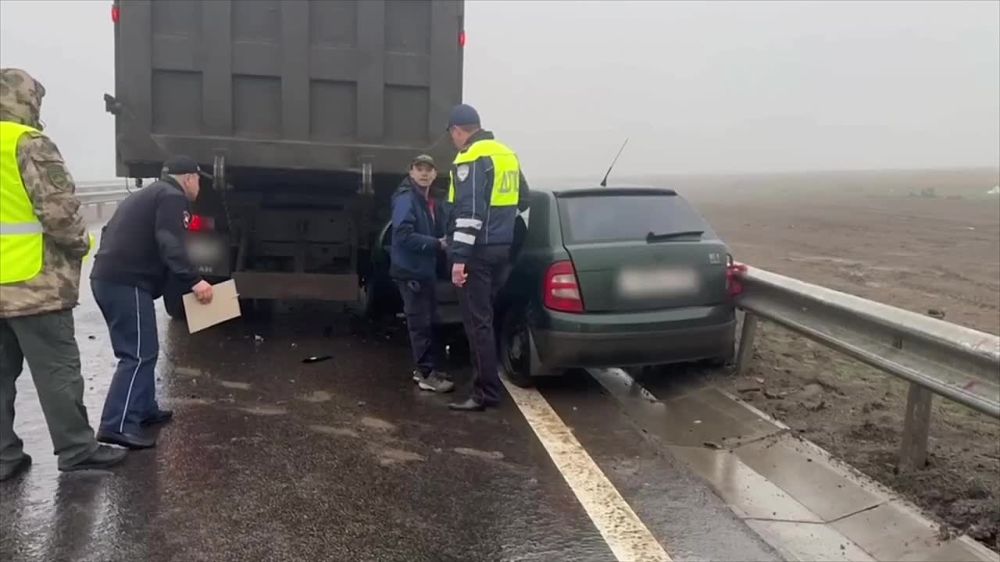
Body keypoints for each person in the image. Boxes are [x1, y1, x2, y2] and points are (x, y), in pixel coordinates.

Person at [0, 68, 127, 481]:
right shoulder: (27, 143)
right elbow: (58, 213)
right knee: (56, 370)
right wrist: (81, 244)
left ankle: (4, 456)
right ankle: (75, 448)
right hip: (34, 284)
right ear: (27, 100)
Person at [90, 155, 214, 449]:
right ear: (188, 178)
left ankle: (144, 410)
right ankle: (116, 424)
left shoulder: (150, 193)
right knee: (137, 354)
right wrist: (195, 281)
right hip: (126, 282)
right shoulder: (172, 197)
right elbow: (170, 243)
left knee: (145, 349)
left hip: (114, 279)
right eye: (198, 180)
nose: (199, 187)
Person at [444, 104, 530, 412]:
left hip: (476, 252)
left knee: (476, 322)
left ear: (458, 131)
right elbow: (524, 198)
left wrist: (459, 258)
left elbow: (470, 212)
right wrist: (500, 225)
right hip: (501, 248)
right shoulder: (506, 154)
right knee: (486, 318)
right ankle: (489, 383)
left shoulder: (471, 157)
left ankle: (485, 393)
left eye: (452, 135)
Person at [390, 154, 454, 393]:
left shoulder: (428, 201)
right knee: (419, 324)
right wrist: (437, 244)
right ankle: (425, 374)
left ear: (435, 174)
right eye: (419, 169)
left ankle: (430, 369)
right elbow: (403, 235)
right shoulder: (407, 199)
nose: (424, 173)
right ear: (411, 172)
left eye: (428, 169)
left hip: (423, 271)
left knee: (430, 321)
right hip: (411, 272)